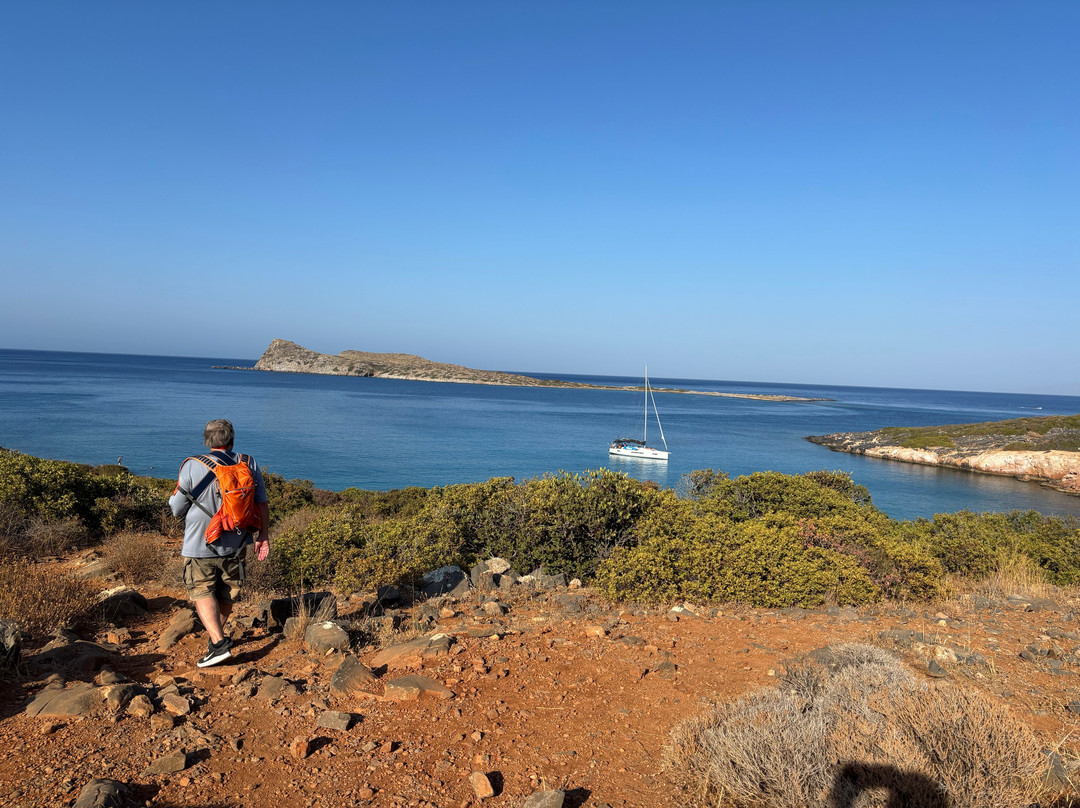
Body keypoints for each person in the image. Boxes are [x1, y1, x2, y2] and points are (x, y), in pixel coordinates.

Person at [169, 419, 270, 667]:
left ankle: (218, 643)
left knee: (202, 589)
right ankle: (217, 640)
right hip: (238, 543)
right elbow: (261, 503)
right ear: (232, 440)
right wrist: (263, 536)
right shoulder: (248, 462)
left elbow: (176, 509)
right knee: (228, 591)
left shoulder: (192, 465)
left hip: (200, 542)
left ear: (206, 441)